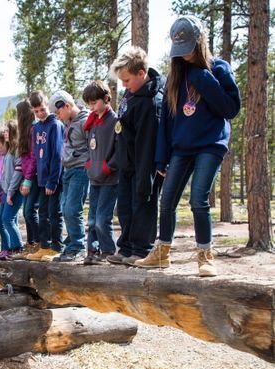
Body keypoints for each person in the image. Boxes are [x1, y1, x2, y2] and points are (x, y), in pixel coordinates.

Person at [134, 16, 241, 276]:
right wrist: (162, 159)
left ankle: (205, 255)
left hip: (210, 144)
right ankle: (162, 252)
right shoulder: (175, 78)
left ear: (200, 43)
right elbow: (167, 123)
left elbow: (231, 108)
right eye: (179, 52)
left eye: (189, 49)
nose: (184, 56)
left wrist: (203, 78)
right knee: (167, 199)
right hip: (181, 147)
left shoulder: (218, 69)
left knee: (198, 199)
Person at [106, 46, 164, 266]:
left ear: (141, 73)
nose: (123, 85)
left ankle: (141, 249)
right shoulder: (131, 94)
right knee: (125, 207)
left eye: (127, 80)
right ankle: (127, 246)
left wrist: (145, 174)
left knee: (143, 203)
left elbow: (147, 142)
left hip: (144, 164)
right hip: (127, 164)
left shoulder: (151, 101)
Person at [48, 90, 89, 262]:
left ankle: (78, 247)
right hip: (68, 170)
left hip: (81, 169)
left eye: (58, 113)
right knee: (65, 208)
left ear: (66, 105)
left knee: (73, 209)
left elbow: (94, 146)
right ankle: (71, 243)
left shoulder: (85, 121)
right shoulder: (67, 123)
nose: (57, 117)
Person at [82, 80, 119, 265]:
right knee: (91, 220)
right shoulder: (93, 123)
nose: (92, 107)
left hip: (110, 179)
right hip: (94, 178)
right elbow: (90, 147)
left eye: (94, 103)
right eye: (89, 104)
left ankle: (108, 250)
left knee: (102, 219)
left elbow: (119, 151)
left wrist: (107, 167)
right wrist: (90, 164)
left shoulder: (114, 121)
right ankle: (92, 250)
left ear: (106, 99)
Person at [26, 90, 65, 262]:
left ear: (47, 105)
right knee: (43, 213)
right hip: (41, 179)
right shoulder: (36, 128)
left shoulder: (55, 125)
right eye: (36, 111)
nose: (40, 113)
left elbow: (57, 155)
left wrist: (52, 181)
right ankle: (45, 246)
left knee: (54, 213)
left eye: (42, 109)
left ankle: (57, 247)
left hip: (53, 179)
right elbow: (36, 154)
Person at [0, 120, 24, 260]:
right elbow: (3, 174)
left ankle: (17, 248)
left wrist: (11, 192)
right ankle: (5, 248)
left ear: (13, 132)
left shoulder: (17, 149)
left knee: (8, 219)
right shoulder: (8, 152)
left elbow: (18, 172)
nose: (5, 133)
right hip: (5, 191)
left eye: (6, 131)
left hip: (15, 192)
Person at [16, 99, 40, 256]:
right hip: (27, 176)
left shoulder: (33, 130)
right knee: (27, 212)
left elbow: (33, 157)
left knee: (30, 211)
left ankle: (38, 243)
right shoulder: (25, 132)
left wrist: (27, 179)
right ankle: (31, 243)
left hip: (34, 177)